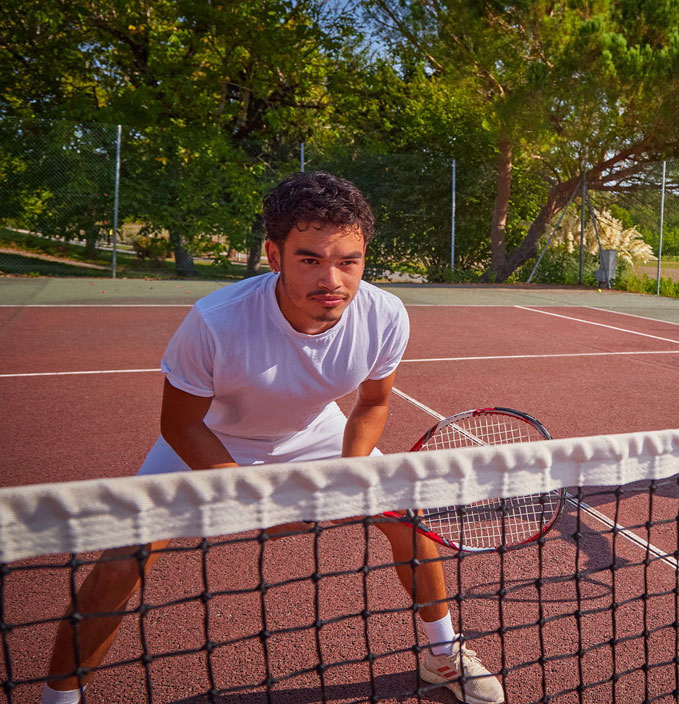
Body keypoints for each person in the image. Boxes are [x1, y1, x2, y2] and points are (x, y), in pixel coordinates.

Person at [43, 172, 505, 704]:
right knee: (121, 560)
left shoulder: (385, 315)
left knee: (408, 519)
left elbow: (373, 403)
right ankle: (59, 700)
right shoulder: (216, 321)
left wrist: (348, 474)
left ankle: (442, 657)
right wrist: (254, 502)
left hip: (313, 431)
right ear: (274, 254)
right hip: (209, 439)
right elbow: (181, 424)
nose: (332, 278)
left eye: (348, 261)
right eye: (310, 259)